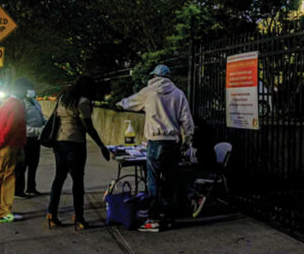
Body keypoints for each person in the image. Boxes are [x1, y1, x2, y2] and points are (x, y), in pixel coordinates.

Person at [117, 64, 194, 232]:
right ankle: (169, 217)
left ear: (154, 76)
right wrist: (186, 141)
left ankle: (153, 219)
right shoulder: (178, 94)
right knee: (170, 180)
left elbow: (130, 102)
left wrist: (119, 104)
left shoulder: (148, 92)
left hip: (155, 142)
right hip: (173, 142)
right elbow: (187, 121)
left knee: (153, 181)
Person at [46, 76, 112, 230]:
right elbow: (89, 127)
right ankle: (79, 217)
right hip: (75, 144)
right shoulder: (83, 102)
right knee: (77, 181)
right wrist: (102, 146)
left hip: (59, 142)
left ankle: (51, 214)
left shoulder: (63, 99)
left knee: (59, 178)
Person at [0, 78, 28, 223]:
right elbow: (11, 127)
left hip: (4, 145)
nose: (28, 92)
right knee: (8, 178)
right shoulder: (17, 105)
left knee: (2, 177)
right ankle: (5, 212)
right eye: (26, 89)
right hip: (10, 146)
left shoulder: (5, 103)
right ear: (21, 89)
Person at [14, 81, 45, 197]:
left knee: (34, 164)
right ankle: (18, 191)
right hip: (25, 139)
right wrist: (37, 130)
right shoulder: (21, 103)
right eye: (30, 88)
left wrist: (46, 125)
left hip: (36, 139)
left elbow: (41, 117)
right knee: (22, 166)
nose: (32, 90)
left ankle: (31, 187)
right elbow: (20, 125)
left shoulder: (36, 103)